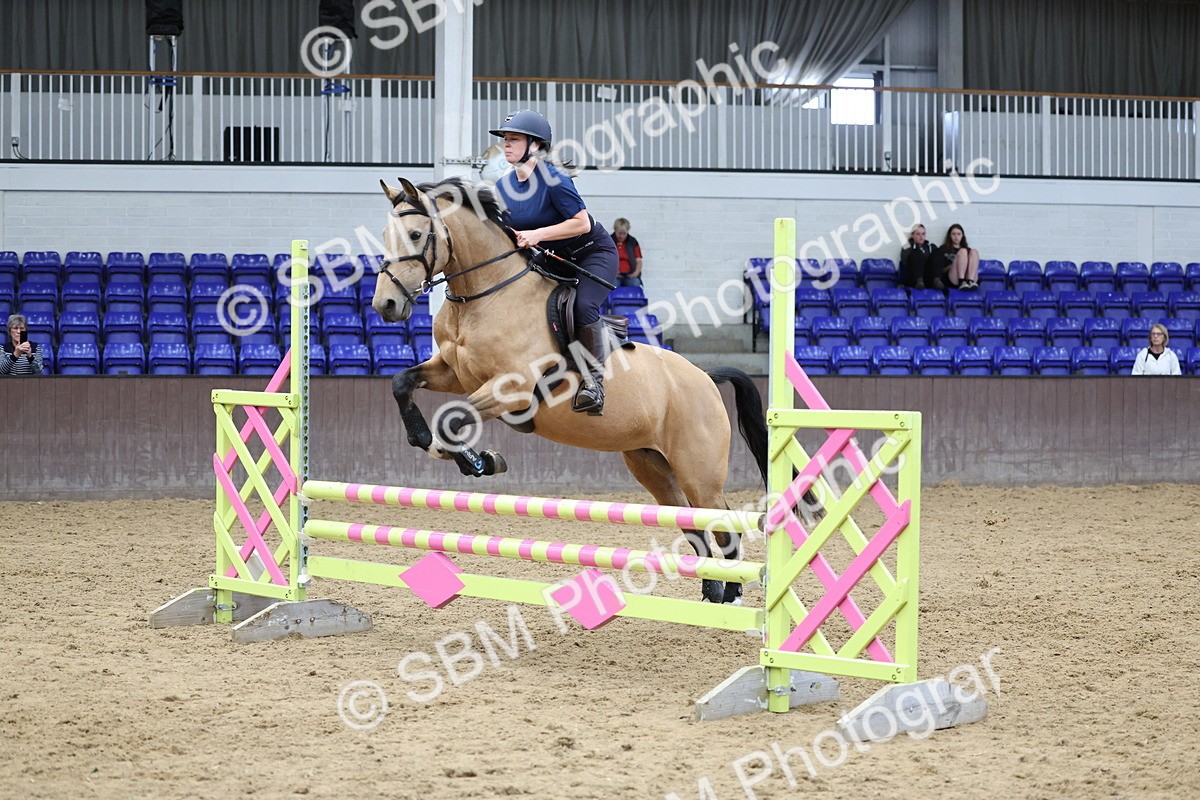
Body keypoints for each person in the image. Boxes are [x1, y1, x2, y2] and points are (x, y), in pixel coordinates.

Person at [489, 109, 619, 416]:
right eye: (505, 139)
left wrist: (536, 235)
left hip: (591, 253)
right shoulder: (503, 187)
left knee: (582, 306)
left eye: (514, 139)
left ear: (534, 145)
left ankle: (594, 384)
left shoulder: (554, 179)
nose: (506, 144)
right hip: (552, 258)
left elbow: (581, 223)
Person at [936, 224, 980, 289]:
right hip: (953, 277)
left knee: (974, 252)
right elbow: (939, 270)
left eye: (959, 234)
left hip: (967, 277)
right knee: (962, 251)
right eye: (953, 234)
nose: (956, 237)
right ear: (950, 236)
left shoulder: (968, 250)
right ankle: (961, 281)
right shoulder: (943, 249)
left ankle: (971, 281)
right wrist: (953, 265)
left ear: (962, 235)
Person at [899, 224, 940, 289]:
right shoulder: (906, 247)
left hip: (928, 277)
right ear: (912, 235)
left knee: (937, 252)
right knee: (916, 253)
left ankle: (937, 281)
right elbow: (906, 263)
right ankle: (919, 281)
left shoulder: (931, 247)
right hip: (913, 277)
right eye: (918, 234)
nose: (921, 237)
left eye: (923, 234)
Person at [612, 218, 643, 287]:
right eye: (620, 233)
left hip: (630, 275)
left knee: (635, 283)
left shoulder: (633, 242)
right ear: (615, 230)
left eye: (624, 233)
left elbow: (639, 261)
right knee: (612, 285)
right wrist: (611, 273)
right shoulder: (609, 241)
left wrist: (635, 273)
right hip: (614, 276)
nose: (622, 236)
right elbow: (604, 260)